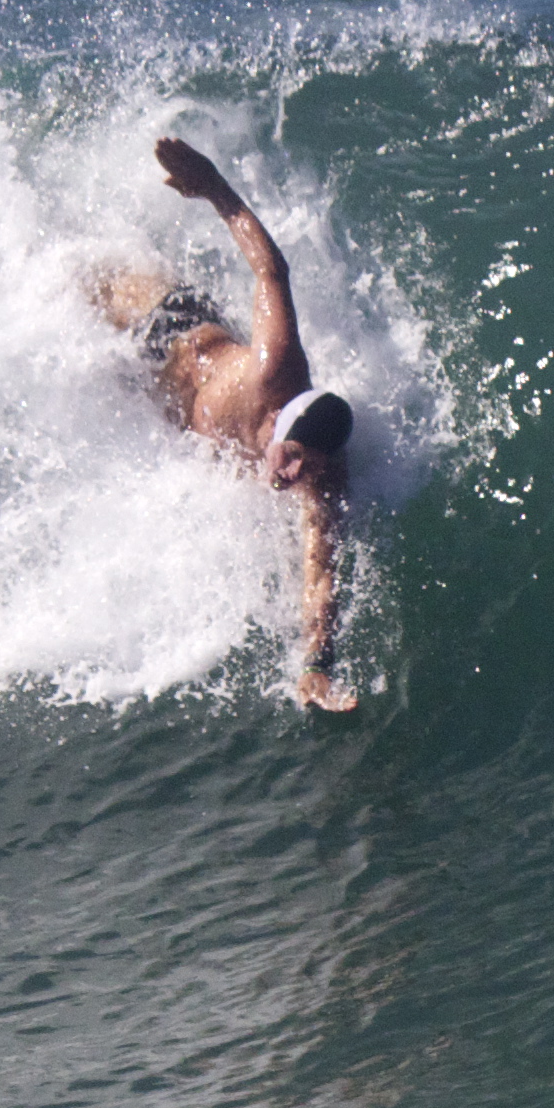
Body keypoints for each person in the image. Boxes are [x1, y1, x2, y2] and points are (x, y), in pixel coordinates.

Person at [89, 137, 358, 712]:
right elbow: (271, 270)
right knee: (69, 284)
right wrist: (214, 187)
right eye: (291, 456)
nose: (288, 476)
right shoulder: (276, 366)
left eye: (304, 469)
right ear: (281, 425)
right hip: (166, 325)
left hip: (156, 400)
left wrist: (316, 665)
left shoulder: (322, 479)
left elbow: (320, 578)